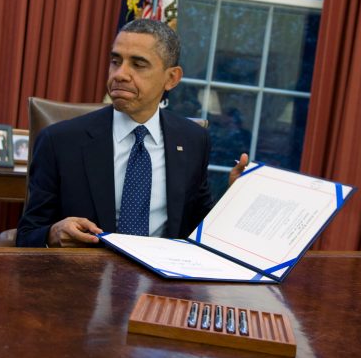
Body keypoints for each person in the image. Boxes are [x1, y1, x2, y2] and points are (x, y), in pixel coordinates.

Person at [16, 19, 247, 248]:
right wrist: (52, 234)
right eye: (115, 61)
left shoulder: (193, 140)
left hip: (162, 280)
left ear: (171, 78)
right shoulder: (59, 142)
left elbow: (198, 229)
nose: (120, 74)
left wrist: (232, 200)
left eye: (138, 64)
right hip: (87, 278)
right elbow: (27, 234)